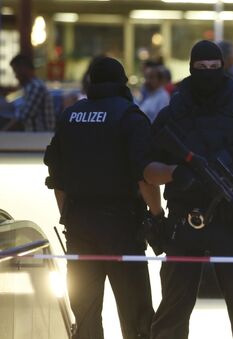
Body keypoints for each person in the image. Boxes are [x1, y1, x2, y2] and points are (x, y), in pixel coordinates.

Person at [143, 40, 233, 339]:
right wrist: (176, 173)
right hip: (183, 218)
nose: (208, 74)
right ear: (190, 69)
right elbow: (148, 171)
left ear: (223, 68)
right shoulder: (173, 114)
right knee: (172, 311)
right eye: (201, 69)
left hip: (230, 219)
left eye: (215, 68)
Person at [43, 57, 161, 339]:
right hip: (122, 226)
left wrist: (69, 215)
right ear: (121, 82)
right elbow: (144, 175)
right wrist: (157, 217)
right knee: (137, 315)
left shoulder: (71, 116)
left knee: (85, 315)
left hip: (80, 226)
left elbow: (56, 178)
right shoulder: (129, 115)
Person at [2, 54, 54, 131]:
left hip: (40, 138)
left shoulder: (36, 87)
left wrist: (3, 132)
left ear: (24, 69)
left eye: (16, 71)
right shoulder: (29, 87)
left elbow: (23, 116)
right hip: (35, 138)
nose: (15, 76)